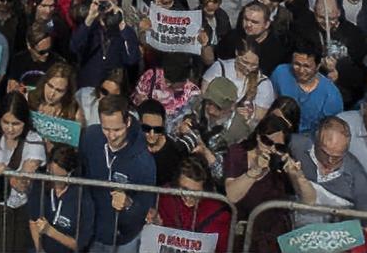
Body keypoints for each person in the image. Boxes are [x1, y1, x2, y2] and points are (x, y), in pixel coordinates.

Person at [223, 113, 311, 253]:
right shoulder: (237, 153)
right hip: (242, 231)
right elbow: (232, 195)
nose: (271, 149)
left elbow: (309, 200)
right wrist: (255, 170)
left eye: (278, 146)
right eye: (267, 141)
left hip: (274, 234)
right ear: (258, 136)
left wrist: (298, 177)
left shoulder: (283, 160)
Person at [79, 94, 156, 253]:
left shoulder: (144, 162)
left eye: (117, 129)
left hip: (125, 239)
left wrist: (128, 204)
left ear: (128, 122)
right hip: (91, 233)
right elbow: (80, 172)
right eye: (106, 129)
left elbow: (146, 209)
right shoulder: (90, 137)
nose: (112, 136)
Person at [0, 90, 47, 253]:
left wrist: (5, 171)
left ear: (24, 122)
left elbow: (23, 185)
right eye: (5, 122)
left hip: (19, 211)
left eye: (16, 124)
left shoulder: (33, 140)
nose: (10, 128)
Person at [287, 115, 367, 226]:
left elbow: (365, 227)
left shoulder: (360, 183)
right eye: (324, 153)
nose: (330, 160)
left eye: (337, 157)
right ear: (316, 139)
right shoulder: (295, 145)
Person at [152, 155, 232, 252]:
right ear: (176, 184)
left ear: (205, 189)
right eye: (184, 189)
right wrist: (156, 224)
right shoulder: (165, 196)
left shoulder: (220, 214)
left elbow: (222, 249)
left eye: (196, 193)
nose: (189, 197)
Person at [26, 144, 94, 253]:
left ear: (71, 172)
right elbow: (33, 221)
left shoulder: (82, 197)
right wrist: (39, 250)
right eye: (52, 174)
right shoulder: (40, 184)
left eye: (62, 177)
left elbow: (79, 245)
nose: (56, 181)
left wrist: (50, 231)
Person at [270, 40, 343, 136]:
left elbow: (329, 131)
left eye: (306, 66)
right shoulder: (280, 73)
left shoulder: (331, 96)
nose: (301, 70)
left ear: (318, 66)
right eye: (297, 64)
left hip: (308, 140)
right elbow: (270, 102)